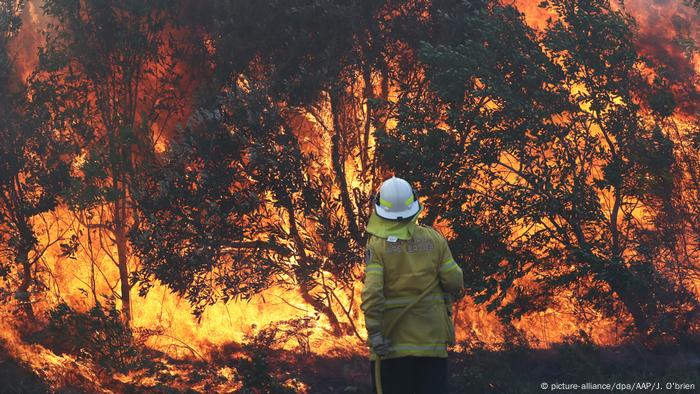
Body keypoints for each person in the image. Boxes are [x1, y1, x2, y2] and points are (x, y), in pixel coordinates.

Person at [361, 176, 464, 394]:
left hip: (390, 350)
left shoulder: (377, 245)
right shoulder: (434, 239)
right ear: (414, 203)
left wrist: (375, 334)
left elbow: (372, 294)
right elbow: (454, 281)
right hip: (431, 348)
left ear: (378, 205)